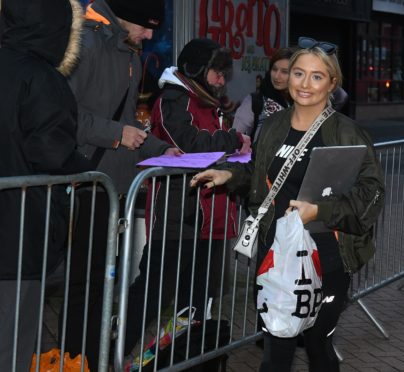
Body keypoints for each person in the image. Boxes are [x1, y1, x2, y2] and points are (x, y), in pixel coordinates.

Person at [191, 37, 385, 372]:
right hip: (276, 257)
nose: (304, 84)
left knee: (318, 345)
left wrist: (319, 211)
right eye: (298, 73)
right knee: (275, 350)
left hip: (327, 257)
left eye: (316, 76)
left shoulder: (347, 133)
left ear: (332, 83)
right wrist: (228, 175)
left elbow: (372, 193)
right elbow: (258, 173)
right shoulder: (272, 126)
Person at [62, 0, 180, 369]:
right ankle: (73, 359)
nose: (149, 35)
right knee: (83, 286)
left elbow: (129, 122)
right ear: (121, 16)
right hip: (83, 183)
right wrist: (116, 134)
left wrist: (163, 150)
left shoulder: (126, 51)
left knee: (100, 283)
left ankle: (91, 358)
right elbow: (61, 112)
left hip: (110, 187)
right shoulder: (86, 41)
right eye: (145, 26)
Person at [123, 37, 251, 355]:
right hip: (180, 215)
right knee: (153, 290)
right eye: (217, 73)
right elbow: (189, 140)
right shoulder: (174, 98)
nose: (222, 80)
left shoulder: (208, 101)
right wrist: (233, 139)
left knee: (195, 295)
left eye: (224, 74)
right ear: (196, 70)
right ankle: (115, 349)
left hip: (208, 216)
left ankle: (181, 355)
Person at [0, 0, 92, 370]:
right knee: (11, 344)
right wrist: (83, 169)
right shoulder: (43, 79)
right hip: (18, 238)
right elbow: (52, 155)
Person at [233, 47, 295, 142]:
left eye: (284, 72)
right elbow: (235, 138)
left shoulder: (300, 102)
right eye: (274, 69)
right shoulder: (254, 102)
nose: (277, 76)